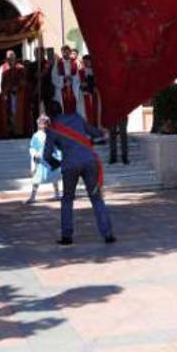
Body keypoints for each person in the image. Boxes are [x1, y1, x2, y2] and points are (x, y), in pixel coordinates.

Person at [43, 101, 115, 245]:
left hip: (70, 166)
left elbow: (46, 155)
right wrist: (103, 132)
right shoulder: (76, 118)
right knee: (96, 199)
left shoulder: (52, 129)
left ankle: (67, 236)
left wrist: (56, 164)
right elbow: (94, 132)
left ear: (49, 115)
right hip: (89, 161)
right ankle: (108, 235)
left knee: (67, 200)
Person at [26, 115, 61, 203]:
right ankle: (33, 196)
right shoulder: (36, 136)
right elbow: (32, 147)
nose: (43, 125)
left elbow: (57, 146)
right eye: (41, 123)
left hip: (51, 158)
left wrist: (59, 156)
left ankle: (57, 193)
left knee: (54, 177)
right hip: (40, 160)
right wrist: (34, 154)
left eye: (45, 123)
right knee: (36, 178)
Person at [0, 50, 31, 138]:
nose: (10, 59)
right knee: (8, 113)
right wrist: (3, 93)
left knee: (17, 113)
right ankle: (8, 132)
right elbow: (0, 83)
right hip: (7, 95)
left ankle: (18, 132)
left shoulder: (21, 68)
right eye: (8, 57)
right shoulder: (2, 68)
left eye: (12, 57)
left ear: (15, 58)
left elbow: (24, 81)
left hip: (19, 96)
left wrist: (18, 86)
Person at [79, 55, 100, 127]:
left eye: (88, 61)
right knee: (87, 113)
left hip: (95, 95)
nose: (86, 63)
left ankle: (97, 129)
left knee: (96, 112)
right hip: (86, 95)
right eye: (85, 61)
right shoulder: (81, 72)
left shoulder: (96, 71)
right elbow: (81, 84)